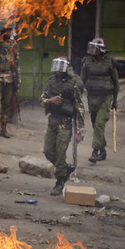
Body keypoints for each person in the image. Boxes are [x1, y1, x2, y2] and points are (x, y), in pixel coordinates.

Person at [41, 57, 86, 196]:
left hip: (65, 123)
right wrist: (50, 100)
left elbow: (80, 108)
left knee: (61, 152)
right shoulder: (51, 81)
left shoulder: (74, 84)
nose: (58, 71)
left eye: (60, 69)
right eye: (56, 68)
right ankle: (65, 169)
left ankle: (60, 181)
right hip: (53, 120)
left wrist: (80, 131)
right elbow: (42, 99)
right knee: (48, 151)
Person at [80, 37, 119, 163]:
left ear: (101, 50)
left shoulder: (110, 62)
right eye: (91, 47)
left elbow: (116, 82)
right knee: (95, 125)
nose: (91, 50)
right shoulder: (86, 62)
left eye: (94, 48)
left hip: (105, 98)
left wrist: (115, 100)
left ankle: (95, 151)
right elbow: (82, 80)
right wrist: (77, 95)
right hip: (92, 97)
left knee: (99, 124)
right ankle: (102, 150)